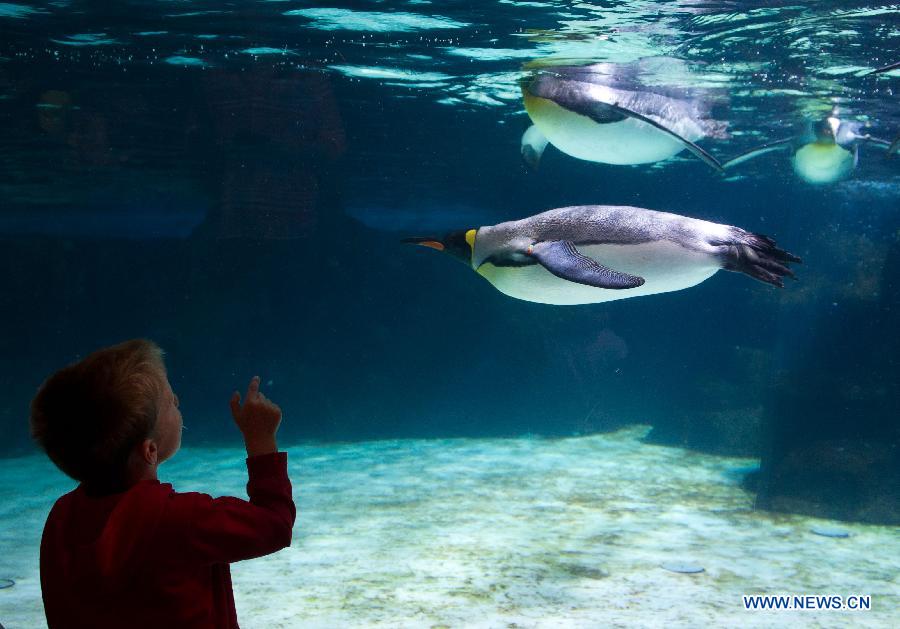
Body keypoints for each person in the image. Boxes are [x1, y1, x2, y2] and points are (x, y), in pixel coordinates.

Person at [29, 338, 295, 628]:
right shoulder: (181, 519)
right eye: (170, 401)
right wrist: (261, 440)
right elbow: (275, 525)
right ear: (150, 450)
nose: (178, 401)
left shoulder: (60, 518)